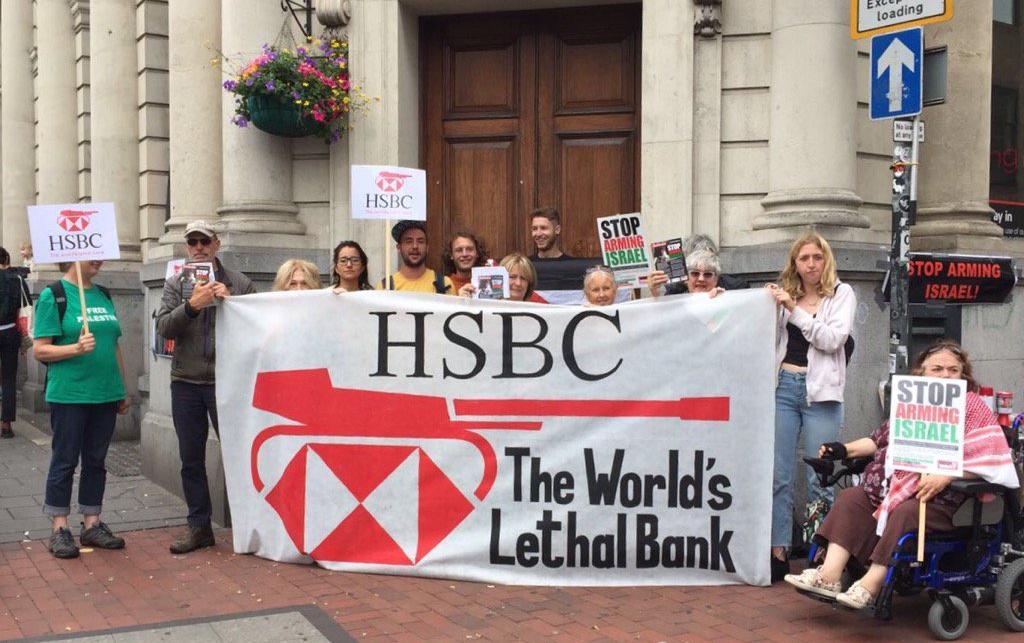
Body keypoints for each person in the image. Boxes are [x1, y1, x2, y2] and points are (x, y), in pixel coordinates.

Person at [784, 339, 1019, 609]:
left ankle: (870, 585)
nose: (945, 375)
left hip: (945, 499)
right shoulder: (913, 403)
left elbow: (991, 455)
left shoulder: (972, 406)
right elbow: (878, 440)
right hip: (894, 488)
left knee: (905, 512)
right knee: (852, 498)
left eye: (953, 370)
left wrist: (948, 475)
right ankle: (829, 575)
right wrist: (842, 449)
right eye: (938, 369)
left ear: (963, 374)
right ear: (922, 372)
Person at [155, 220, 256, 554]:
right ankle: (199, 526)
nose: (198, 248)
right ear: (186, 248)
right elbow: (164, 328)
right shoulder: (175, 284)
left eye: (203, 242)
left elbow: (259, 326)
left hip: (227, 381)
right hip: (186, 382)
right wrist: (192, 306)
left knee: (239, 454)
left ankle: (249, 522)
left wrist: (233, 304)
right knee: (191, 458)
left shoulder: (239, 283)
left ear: (216, 245)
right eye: (192, 243)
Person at [766, 231, 856, 581]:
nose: (811, 264)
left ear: (826, 260)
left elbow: (834, 339)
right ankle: (778, 549)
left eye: (817, 257)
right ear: (795, 263)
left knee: (821, 475)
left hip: (822, 393)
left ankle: (821, 552)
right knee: (779, 475)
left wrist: (796, 313)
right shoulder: (783, 296)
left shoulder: (841, 294)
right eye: (804, 258)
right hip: (784, 386)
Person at [34, 261, 129, 559]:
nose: (98, 260)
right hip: (70, 394)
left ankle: (92, 522)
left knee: (96, 460)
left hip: (105, 393)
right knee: (65, 459)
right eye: (91, 254)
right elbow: (40, 349)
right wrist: (74, 348)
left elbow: (113, 345)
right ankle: (59, 527)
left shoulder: (103, 294)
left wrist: (122, 388)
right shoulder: (55, 295)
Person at [648, 234, 746, 296]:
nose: (701, 278)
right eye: (694, 273)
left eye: (708, 273)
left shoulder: (735, 288)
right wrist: (655, 293)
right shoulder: (675, 291)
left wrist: (719, 303)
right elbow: (664, 321)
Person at [0, 248, 31, 438]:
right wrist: (23, 336)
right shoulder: (17, 279)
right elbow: (25, 309)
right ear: (6, 260)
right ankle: (6, 424)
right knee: (9, 377)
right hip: (10, 330)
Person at [378, 220, 454, 294]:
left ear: (427, 248)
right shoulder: (384, 287)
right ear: (399, 248)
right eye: (409, 241)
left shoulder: (445, 284)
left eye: (420, 241)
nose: (415, 246)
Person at [457, 252, 546, 303]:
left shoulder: (540, 307)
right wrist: (461, 303)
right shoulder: (485, 307)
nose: (518, 283)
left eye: (523, 278)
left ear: (529, 284)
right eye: (512, 277)